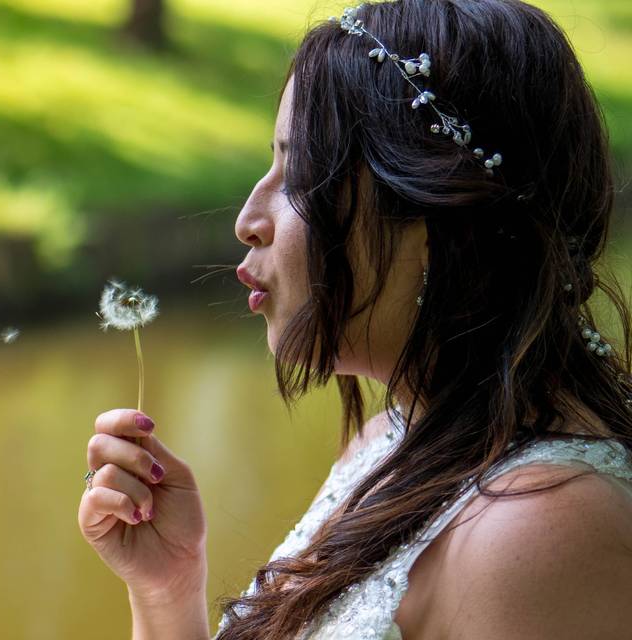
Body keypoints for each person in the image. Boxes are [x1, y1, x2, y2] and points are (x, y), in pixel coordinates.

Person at [77, 0, 632, 637]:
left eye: (302, 173)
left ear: (435, 217)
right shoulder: (385, 444)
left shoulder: (541, 532)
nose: (248, 220)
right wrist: (167, 590)